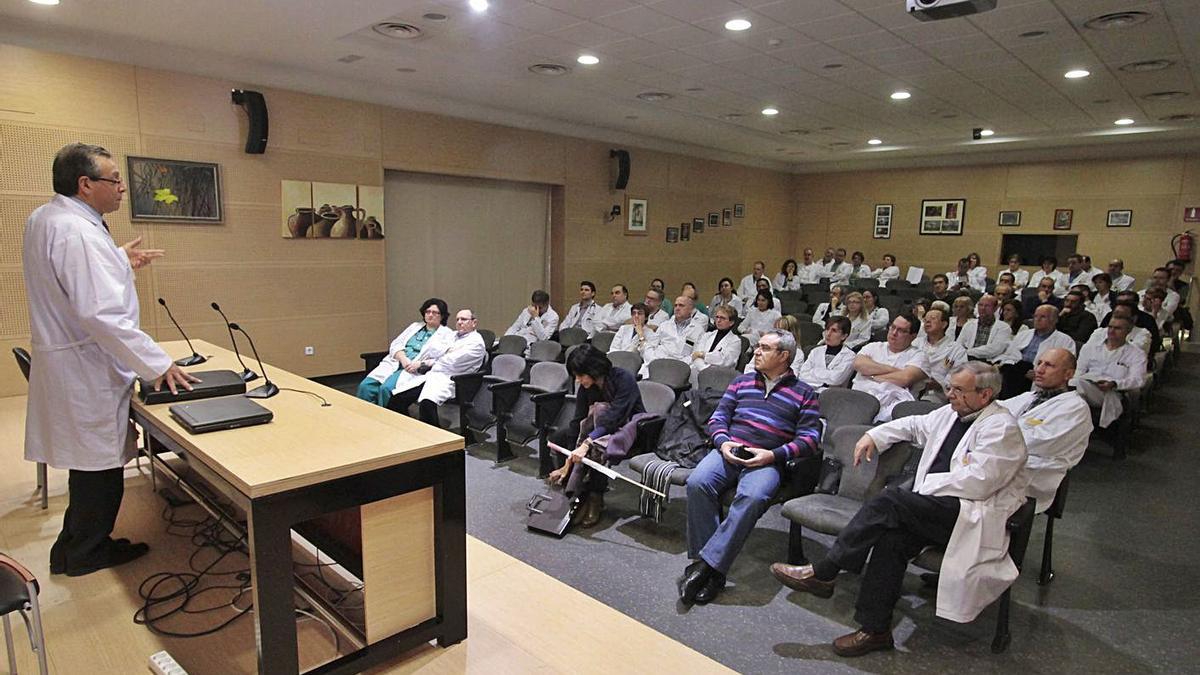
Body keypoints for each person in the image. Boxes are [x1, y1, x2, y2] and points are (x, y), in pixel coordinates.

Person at [771, 362, 1028, 657]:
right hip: (937, 508)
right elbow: (913, 424)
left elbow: (979, 482)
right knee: (890, 538)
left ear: (985, 395)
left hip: (970, 516)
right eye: (949, 387)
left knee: (891, 501)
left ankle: (826, 570)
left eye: (959, 389)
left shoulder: (1002, 428)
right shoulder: (951, 413)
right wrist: (874, 436)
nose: (950, 394)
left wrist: (923, 488)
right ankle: (875, 630)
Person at [25, 142, 197, 576]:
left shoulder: (50, 218)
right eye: (114, 180)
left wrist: (118, 261)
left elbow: (72, 280)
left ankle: (69, 549)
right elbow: (100, 314)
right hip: (84, 368)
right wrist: (158, 364)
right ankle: (86, 554)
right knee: (99, 473)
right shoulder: (79, 232)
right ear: (85, 185)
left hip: (70, 363)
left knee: (88, 471)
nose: (122, 188)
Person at [681, 329, 821, 604]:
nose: (756, 351)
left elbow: (811, 439)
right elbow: (718, 418)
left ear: (784, 356)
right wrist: (723, 443)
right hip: (729, 449)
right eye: (757, 346)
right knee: (697, 483)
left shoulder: (805, 393)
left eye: (765, 348)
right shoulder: (741, 382)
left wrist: (773, 455)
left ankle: (706, 569)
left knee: (753, 497)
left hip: (767, 459)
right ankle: (712, 567)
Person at [549, 345, 648, 527]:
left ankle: (596, 497)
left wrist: (586, 443)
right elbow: (578, 420)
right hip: (599, 430)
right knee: (562, 437)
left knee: (596, 448)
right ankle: (577, 491)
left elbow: (614, 417)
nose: (578, 380)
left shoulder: (623, 379)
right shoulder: (587, 387)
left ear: (593, 370)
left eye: (580, 375)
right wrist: (569, 458)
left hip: (627, 429)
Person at [999, 349, 1092, 513]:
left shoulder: (1075, 408)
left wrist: (996, 433)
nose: (1039, 370)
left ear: (1068, 374)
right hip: (1006, 459)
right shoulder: (1030, 397)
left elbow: (1035, 443)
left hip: (1034, 474)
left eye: (1049, 365)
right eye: (1039, 363)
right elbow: (995, 412)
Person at [386, 309, 487, 427]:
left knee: (426, 403)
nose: (459, 322)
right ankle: (407, 430)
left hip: (453, 380)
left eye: (464, 319)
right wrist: (441, 356)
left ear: (474, 323)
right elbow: (433, 351)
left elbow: (451, 362)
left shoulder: (476, 343)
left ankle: (435, 440)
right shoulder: (453, 335)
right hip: (433, 375)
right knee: (397, 399)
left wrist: (433, 360)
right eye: (457, 319)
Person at [357, 298, 453, 407]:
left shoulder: (447, 334)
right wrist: (403, 358)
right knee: (365, 386)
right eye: (428, 312)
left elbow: (444, 359)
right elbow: (396, 344)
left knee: (386, 389)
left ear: (443, 316)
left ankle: (384, 419)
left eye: (435, 313)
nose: (430, 315)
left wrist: (420, 364)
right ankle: (365, 416)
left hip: (414, 369)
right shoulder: (415, 326)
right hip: (397, 362)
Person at [1072, 315, 1147, 429]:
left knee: (1075, 386)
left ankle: (1076, 425)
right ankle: (1076, 424)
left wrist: (1115, 384)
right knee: (1074, 383)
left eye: (1117, 328)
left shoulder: (1136, 353)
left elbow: (1138, 380)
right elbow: (1079, 370)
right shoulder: (1090, 347)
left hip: (1112, 392)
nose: (1112, 331)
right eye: (1110, 327)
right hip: (1087, 384)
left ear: (1128, 331)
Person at [851, 313, 929, 422]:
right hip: (858, 403)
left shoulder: (919, 356)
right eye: (893, 327)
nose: (894, 333)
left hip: (893, 412)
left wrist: (871, 374)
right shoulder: (873, 347)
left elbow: (905, 379)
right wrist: (896, 371)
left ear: (913, 336)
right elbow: (858, 364)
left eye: (901, 330)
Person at [996, 304, 1076, 398]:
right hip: (1016, 371)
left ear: (1055, 320)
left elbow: (1066, 365)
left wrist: (1037, 372)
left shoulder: (1065, 340)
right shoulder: (1023, 335)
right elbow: (1009, 355)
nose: (1037, 319)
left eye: (1043, 317)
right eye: (1035, 316)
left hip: (1040, 375)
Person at [642, 295, 710, 375]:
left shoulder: (698, 330)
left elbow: (695, 354)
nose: (677, 308)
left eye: (681, 305)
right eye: (675, 305)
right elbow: (650, 346)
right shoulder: (664, 325)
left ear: (691, 309)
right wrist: (653, 360)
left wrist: (678, 364)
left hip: (680, 368)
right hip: (657, 363)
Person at [914, 307, 967, 404]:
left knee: (926, 405)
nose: (927, 322)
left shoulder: (956, 349)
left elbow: (957, 375)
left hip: (937, 392)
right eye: (925, 319)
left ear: (944, 324)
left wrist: (940, 384)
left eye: (933, 318)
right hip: (912, 386)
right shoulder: (915, 343)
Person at [797, 317, 856, 392]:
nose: (828, 334)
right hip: (807, 391)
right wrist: (825, 379)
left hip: (832, 396)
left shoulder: (849, 356)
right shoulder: (815, 351)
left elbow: (836, 379)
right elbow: (803, 374)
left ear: (844, 336)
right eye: (827, 329)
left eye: (834, 331)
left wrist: (813, 372)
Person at [690, 304, 742, 386]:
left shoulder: (735, 341)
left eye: (723, 318)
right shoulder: (707, 335)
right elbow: (695, 355)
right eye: (717, 317)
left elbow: (724, 361)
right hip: (699, 372)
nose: (718, 320)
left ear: (731, 322)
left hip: (720, 378)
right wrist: (704, 369)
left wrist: (703, 355)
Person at [955, 294, 1012, 362]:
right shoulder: (969, 324)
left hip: (988, 362)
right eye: (980, 305)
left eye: (987, 306)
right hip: (966, 360)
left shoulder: (1004, 327)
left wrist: (968, 352)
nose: (983, 308)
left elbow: (995, 349)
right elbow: (958, 344)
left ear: (995, 308)